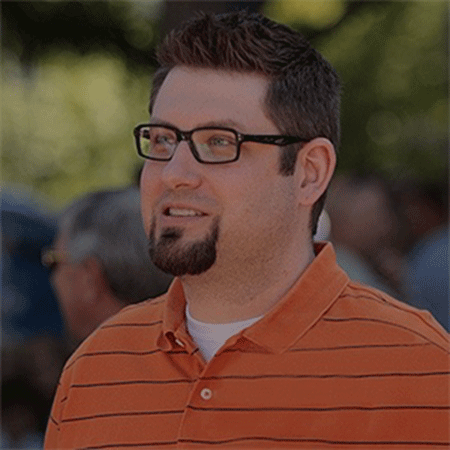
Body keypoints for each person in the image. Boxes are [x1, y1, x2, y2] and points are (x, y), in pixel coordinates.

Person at [45, 11, 449, 449]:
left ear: (310, 173)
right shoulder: (92, 372)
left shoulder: (421, 375)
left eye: (219, 142)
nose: (173, 173)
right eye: (163, 140)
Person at [42, 187, 173, 344]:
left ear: (89, 278)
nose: (54, 279)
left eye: (54, 262)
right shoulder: (187, 348)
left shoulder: (97, 357)